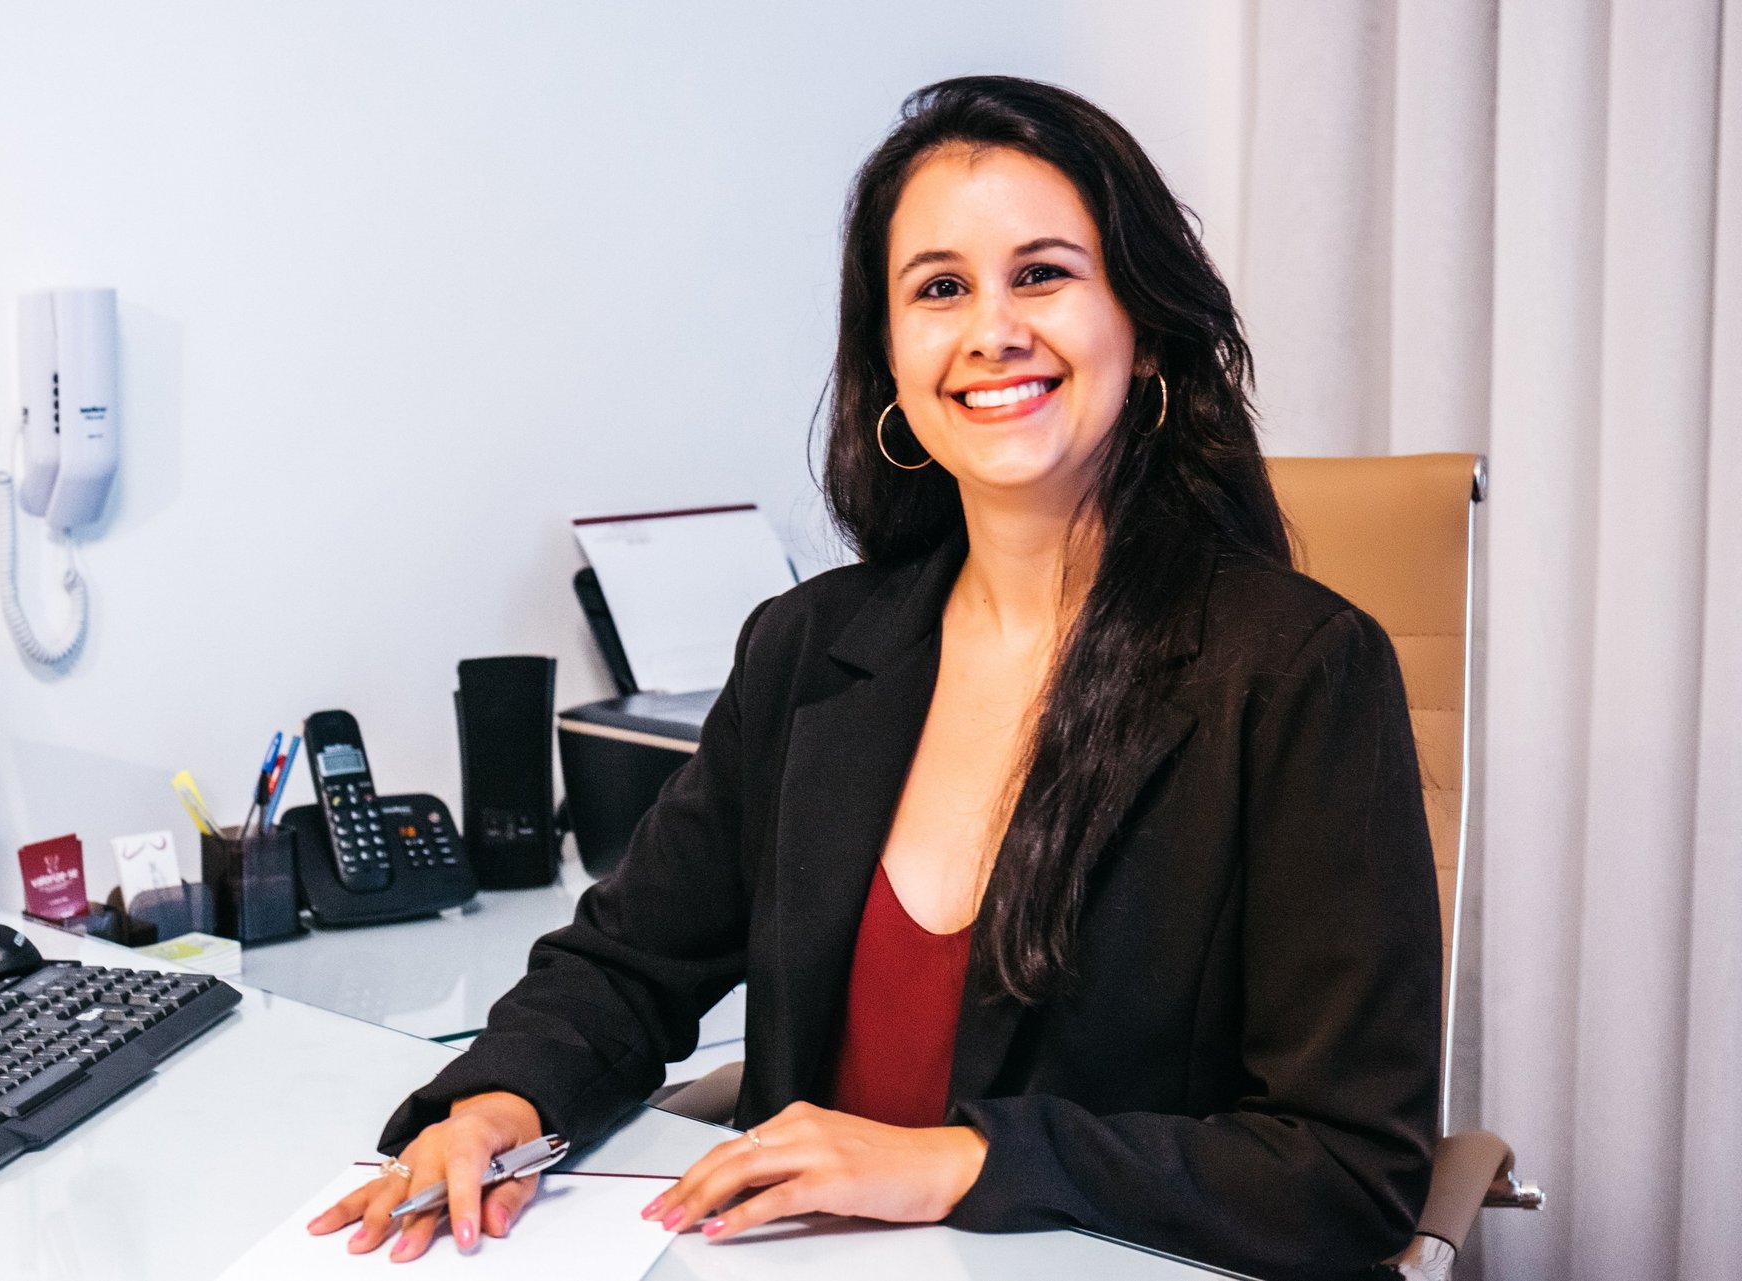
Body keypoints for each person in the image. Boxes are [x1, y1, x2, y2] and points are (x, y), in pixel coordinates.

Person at [309, 75, 1441, 1281]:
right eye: (940, 288)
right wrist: (498, 1105)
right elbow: (628, 967)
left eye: (1043, 273)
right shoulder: (808, 651)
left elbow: (1347, 1168)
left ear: (1144, 326)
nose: (991, 330)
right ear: (892, 360)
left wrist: (960, 1161)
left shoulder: (1298, 671)